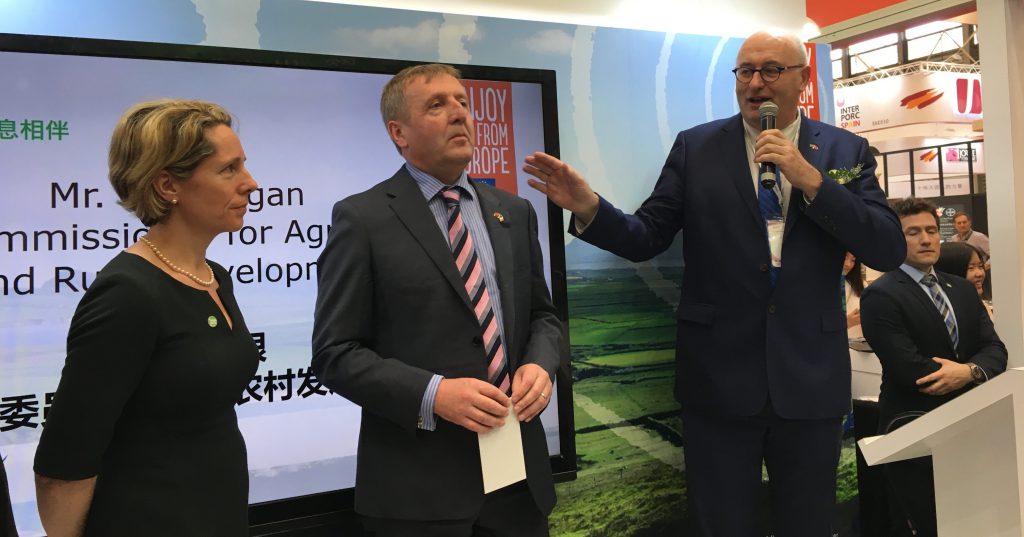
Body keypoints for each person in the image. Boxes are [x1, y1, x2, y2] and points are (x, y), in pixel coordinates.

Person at [523, 31, 906, 536]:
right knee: (720, 524)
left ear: (803, 78)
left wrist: (812, 181)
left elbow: (887, 248)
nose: (755, 83)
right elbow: (647, 235)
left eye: (771, 70)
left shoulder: (842, 149)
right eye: (745, 71)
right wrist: (590, 207)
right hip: (718, 379)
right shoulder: (697, 147)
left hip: (810, 378)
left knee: (809, 523)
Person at [311, 64, 562, 536]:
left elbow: (544, 317)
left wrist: (540, 364)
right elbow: (335, 354)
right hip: (419, 496)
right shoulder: (362, 219)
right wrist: (434, 394)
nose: (459, 114)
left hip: (518, 486)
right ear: (399, 133)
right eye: (436, 105)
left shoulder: (513, 211)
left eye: (463, 102)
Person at [33, 100, 260, 537]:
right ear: (168, 185)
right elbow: (64, 461)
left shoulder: (215, 277)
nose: (250, 183)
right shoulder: (128, 293)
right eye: (229, 169)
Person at [860, 197, 1006, 537]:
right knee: (931, 524)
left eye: (931, 230)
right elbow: (907, 366)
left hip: (972, 424)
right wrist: (964, 373)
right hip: (915, 427)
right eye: (913, 232)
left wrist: (968, 372)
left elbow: (994, 349)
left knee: (974, 521)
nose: (926, 239)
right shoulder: (881, 295)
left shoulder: (962, 289)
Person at [935, 241, 992, 318]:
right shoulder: (946, 313)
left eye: (980, 266)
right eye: (971, 268)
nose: (980, 274)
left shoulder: (979, 306)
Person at [844, 252, 866, 338]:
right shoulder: (819, 287)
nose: (848, 264)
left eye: (853, 260)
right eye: (844, 257)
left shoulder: (861, 285)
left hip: (861, 341)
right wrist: (847, 323)